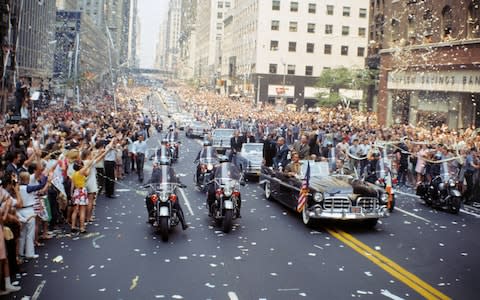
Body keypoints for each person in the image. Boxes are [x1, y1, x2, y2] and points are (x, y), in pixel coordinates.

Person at [144, 163, 188, 230]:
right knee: (148, 198)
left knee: (176, 204)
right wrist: (148, 184)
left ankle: (183, 222)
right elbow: (152, 179)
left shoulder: (171, 171)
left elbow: (175, 179)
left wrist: (180, 183)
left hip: (169, 192)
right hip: (158, 191)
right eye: (161, 165)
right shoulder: (156, 171)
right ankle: (151, 216)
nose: (163, 166)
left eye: (165, 164)